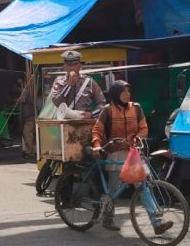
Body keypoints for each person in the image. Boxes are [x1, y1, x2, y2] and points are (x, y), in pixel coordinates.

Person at [91, 80, 173, 235]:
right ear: (116, 94)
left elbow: (143, 128)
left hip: (132, 152)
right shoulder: (107, 110)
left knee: (142, 186)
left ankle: (157, 222)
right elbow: (97, 129)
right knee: (114, 189)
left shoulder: (136, 108)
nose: (127, 94)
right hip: (114, 152)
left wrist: (137, 139)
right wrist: (96, 144)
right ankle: (107, 218)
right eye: (123, 92)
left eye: (128, 91)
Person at [50, 50, 106, 116]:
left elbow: (102, 104)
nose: (72, 67)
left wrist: (92, 114)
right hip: (66, 123)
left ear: (80, 66)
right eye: (69, 65)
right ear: (64, 66)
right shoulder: (59, 81)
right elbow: (57, 102)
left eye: (75, 64)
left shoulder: (89, 82)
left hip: (85, 122)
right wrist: (69, 85)